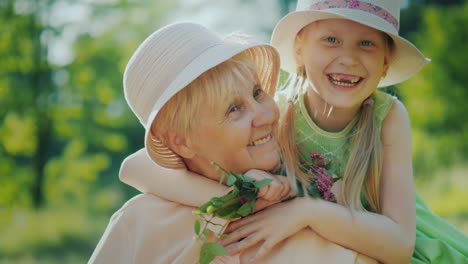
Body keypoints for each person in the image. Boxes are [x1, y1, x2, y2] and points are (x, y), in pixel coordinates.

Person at [120, 1, 468, 263]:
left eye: (367, 44)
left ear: (385, 63)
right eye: (331, 39)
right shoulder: (277, 111)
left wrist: (304, 210)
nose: (347, 58)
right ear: (299, 47)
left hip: (391, 239)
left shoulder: (387, 116)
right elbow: (133, 168)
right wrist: (243, 191)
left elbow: (399, 244)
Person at [89, 22, 292, 263]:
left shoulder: (311, 197)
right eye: (234, 109)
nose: (267, 116)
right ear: (181, 142)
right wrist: (234, 198)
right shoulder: (139, 224)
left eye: (257, 92)